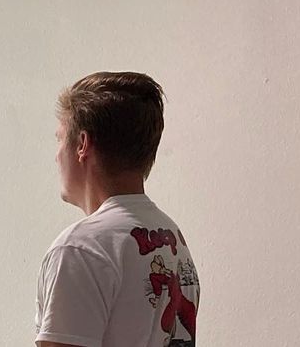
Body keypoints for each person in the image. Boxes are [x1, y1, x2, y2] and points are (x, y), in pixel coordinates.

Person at [36, 72, 200, 347]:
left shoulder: (79, 250)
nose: (56, 155)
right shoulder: (173, 239)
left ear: (82, 144)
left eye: (60, 138)